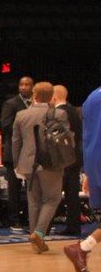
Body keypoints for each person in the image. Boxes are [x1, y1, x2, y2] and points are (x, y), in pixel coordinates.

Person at [12, 81, 68, 252]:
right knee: (52, 199)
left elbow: (16, 142)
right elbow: (66, 140)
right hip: (51, 164)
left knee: (34, 201)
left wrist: (17, 164)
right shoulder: (59, 114)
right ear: (51, 96)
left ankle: (36, 243)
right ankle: (39, 233)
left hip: (27, 164)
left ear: (34, 96)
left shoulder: (21, 115)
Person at [63, 76, 101, 272]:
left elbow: (85, 136)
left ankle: (83, 248)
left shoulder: (92, 97)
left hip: (95, 161)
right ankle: (82, 248)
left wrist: (87, 171)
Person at [0, 76, 34, 228]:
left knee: (31, 189)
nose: (24, 87)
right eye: (21, 84)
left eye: (27, 85)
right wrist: (25, 128)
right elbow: (6, 126)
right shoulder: (11, 104)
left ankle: (28, 217)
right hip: (14, 153)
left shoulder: (35, 104)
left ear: (33, 87)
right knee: (14, 189)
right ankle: (13, 219)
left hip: (31, 153)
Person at [52, 84, 83, 236]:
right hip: (76, 157)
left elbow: (56, 139)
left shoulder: (58, 113)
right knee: (72, 194)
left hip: (63, 159)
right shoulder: (75, 111)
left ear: (54, 96)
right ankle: (74, 226)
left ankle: (43, 228)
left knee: (54, 194)